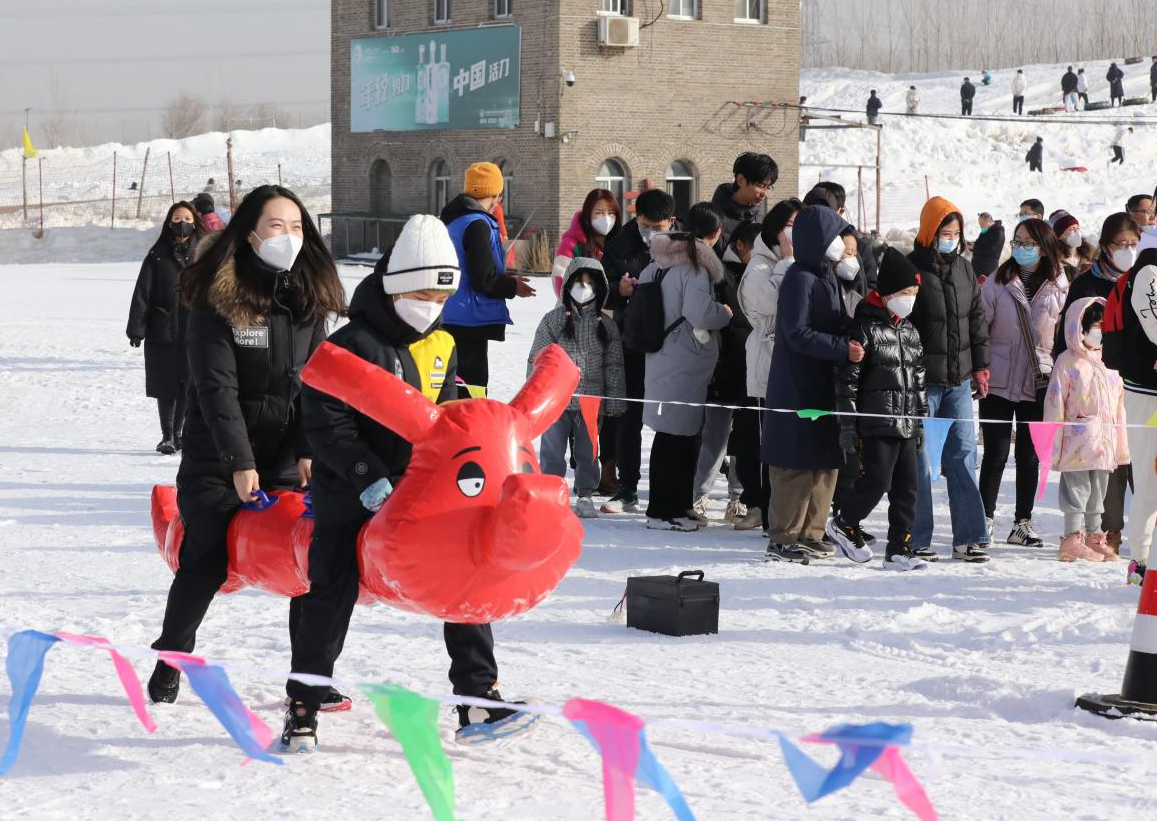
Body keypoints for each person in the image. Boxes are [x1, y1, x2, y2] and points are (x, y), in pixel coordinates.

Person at [283, 214, 534, 751]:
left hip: (421, 493)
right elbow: (325, 422)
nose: (431, 307)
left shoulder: (443, 343)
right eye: (421, 293)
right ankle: (304, 703)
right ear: (396, 287)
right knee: (329, 591)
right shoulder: (351, 345)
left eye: (441, 298)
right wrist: (366, 478)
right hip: (349, 496)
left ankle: (478, 700)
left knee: (463, 580)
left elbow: (450, 415)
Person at [147, 185, 347, 705]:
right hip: (217, 459)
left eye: (298, 227)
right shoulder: (219, 298)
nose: (289, 237)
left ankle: (308, 681)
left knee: (309, 559)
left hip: (284, 459)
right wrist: (238, 462)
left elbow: (316, 382)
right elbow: (216, 389)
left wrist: (307, 449)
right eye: (277, 226)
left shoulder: (306, 299)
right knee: (208, 559)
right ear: (251, 233)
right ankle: (172, 653)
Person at [763, 205, 862, 563]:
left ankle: (812, 532)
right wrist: (841, 348)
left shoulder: (829, 276)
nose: (843, 245)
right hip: (798, 385)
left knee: (825, 463)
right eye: (836, 237)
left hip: (824, 382)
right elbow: (797, 332)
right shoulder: (799, 278)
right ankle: (784, 536)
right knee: (795, 465)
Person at [830, 248, 928, 571]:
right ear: (886, 293)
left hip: (906, 423)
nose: (910, 300)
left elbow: (918, 380)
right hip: (877, 421)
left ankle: (900, 547)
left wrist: (920, 421)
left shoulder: (911, 331)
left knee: (907, 487)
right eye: (904, 293)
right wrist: (849, 424)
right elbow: (848, 381)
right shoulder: (865, 328)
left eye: (914, 293)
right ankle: (845, 521)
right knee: (877, 480)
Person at [638, 203, 732, 531]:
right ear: (715, 233)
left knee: (677, 435)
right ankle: (664, 511)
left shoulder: (659, 262)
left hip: (663, 356)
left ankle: (678, 506)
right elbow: (700, 313)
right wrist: (724, 313)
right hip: (683, 359)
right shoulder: (694, 267)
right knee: (674, 440)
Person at [1051, 213, 1140, 555]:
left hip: (1132, 378)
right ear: (1105, 246)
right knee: (1105, 464)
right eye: (1120, 245)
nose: (1127, 251)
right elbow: (1070, 329)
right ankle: (1105, 530)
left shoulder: (1143, 279)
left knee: (1134, 454)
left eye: (1133, 244)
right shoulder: (1088, 283)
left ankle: (1142, 529)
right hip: (1090, 378)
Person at [908, 196, 991, 562]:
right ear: (930, 231)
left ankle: (969, 536)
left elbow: (976, 318)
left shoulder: (965, 269)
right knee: (921, 461)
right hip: (922, 382)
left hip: (958, 381)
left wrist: (981, 365)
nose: (951, 239)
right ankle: (917, 536)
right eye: (945, 232)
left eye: (956, 233)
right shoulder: (909, 268)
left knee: (963, 455)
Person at [978, 216, 1068, 548]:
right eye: (1017, 242)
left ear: (1044, 248)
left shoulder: (1060, 286)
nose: (1021, 248)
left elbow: (1062, 335)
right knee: (996, 452)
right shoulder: (997, 282)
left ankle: (1022, 523)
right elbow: (981, 326)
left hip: (1038, 379)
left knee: (1029, 455)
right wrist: (980, 367)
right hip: (999, 378)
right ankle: (983, 518)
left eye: (1029, 243)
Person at [530, 256, 626, 518]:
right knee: (552, 450)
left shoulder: (605, 325)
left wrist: (614, 401)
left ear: (599, 288)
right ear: (568, 284)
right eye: (578, 282)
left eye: (589, 283)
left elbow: (614, 365)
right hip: (556, 399)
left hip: (590, 399)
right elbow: (537, 358)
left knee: (588, 451)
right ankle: (551, 491)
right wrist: (535, 397)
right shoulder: (553, 320)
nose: (583, 288)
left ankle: (585, 494)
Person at [601, 189, 677, 515]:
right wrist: (617, 289)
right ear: (636, 219)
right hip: (630, 340)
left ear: (671, 223)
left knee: (674, 417)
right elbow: (602, 288)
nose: (651, 233)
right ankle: (627, 485)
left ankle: (674, 489)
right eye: (645, 225)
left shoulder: (683, 245)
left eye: (658, 227)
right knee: (628, 415)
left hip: (672, 342)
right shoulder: (619, 245)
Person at [1044, 298, 1129, 562]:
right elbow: (1055, 403)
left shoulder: (1110, 364)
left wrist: (1120, 447)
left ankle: (1095, 536)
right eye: (1095, 326)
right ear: (1079, 327)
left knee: (1098, 493)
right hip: (1076, 443)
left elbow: (1119, 409)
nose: (1100, 332)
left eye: (1104, 326)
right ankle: (1071, 538)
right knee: (1076, 491)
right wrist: (1052, 445)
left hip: (1104, 444)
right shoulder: (1067, 362)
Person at [441, 162, 536, 398]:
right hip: (468, 322)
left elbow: (470, 267)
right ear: (495, 195)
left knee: (453, 390)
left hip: (451, 316)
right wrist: (512, 286)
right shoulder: (478, 225)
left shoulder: (456, 219)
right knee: (471, 394)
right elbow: (482, 279)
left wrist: (505, 278)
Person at [736, 198, 802, 532]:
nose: (796, 232)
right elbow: (768, 302)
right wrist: (788, 261)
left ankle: (782, 508)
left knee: (790, 443)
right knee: (768, 443)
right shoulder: (760, 265)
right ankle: (762, 507)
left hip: (794, 368)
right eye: (791, 225)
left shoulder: (796, 261)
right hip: (767, 365)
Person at [691, 221, 760, 525]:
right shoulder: (720, 273)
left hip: (752, 366)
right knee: (714, 438)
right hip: (723, 364)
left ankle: (738, 499)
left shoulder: (760, 273)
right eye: (754, 247)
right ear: (742, 245)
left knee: (746, 439)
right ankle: (698, 495)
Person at [126, 201, 203, 455]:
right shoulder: (157, 254)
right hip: (163, 327)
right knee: (165, 383)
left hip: (195, 327)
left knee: (187, 381)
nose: (182, 223)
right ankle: (167, 435)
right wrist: (136, 328)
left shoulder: (204, 253)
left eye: (187, 218)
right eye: (177, 218)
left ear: (195, 222)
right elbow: (142, 292)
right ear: (169, 222)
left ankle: (179, 433)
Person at [1117, 247, 1157, 581]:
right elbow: (1153, 322)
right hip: (1147, 391)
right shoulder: (1150, 266)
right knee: (1149, 478)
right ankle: (1142, 562)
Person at [553, 188, 621, 299]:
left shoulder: (620, 243)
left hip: (613, 314)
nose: (606, 219)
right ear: (588, 214)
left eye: (611, 213)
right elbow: (560, 281)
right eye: (599, 213)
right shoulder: (571, 245)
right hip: (576, 312)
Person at [809, 181, 878, 290]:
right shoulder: (803, 243)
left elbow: (871, 286)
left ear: (840, 212)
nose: (820, 217)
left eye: (827, 211)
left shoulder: (859, 247)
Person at [711, 152, 778, 252]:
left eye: (768, 187)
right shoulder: (712, 217)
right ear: (741, 180)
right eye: (761, 186)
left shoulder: (761, 218)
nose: (765, 193)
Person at [1050, 210, 1094, 278]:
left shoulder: (1090, 253)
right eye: (1071, 229)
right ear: (1060, 235)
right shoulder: (1055, 260)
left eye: (1078, 228)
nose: (1077, 232)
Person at [971, 212, 1005, 280]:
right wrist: (972, 245)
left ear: (989, 222)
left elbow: (990, 250)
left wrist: (975, 247)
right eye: (980, 225)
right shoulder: (985, 231)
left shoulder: (998, 232)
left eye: (982, 224)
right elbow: (979, 243)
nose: (981, 227)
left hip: (987, 270)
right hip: (977, 268)